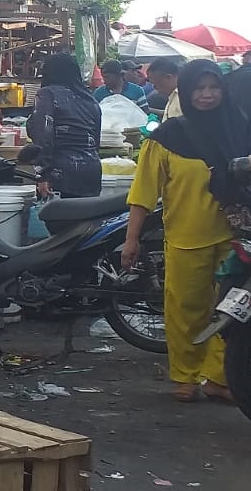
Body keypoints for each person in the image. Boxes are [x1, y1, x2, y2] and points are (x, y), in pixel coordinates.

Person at [122, 60, 250, 403]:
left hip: (235, 237)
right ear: (186, 91)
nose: (207, 95)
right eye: (199, 88)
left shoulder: (240, 129)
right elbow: (144, 191)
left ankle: (219, 377)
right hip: (186, 236)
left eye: (214, 88)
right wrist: (131, 238)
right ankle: (187, 375)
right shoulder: (168, 136)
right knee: (185, 308)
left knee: (232, 311)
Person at [27, 54, 102, 198]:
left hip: (61, 172)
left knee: (61, 219)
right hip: (92, 171)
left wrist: (43, 174)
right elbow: (95, 141)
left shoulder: (47, 94)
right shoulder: (90, 100)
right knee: (87, 219)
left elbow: (43, 136)